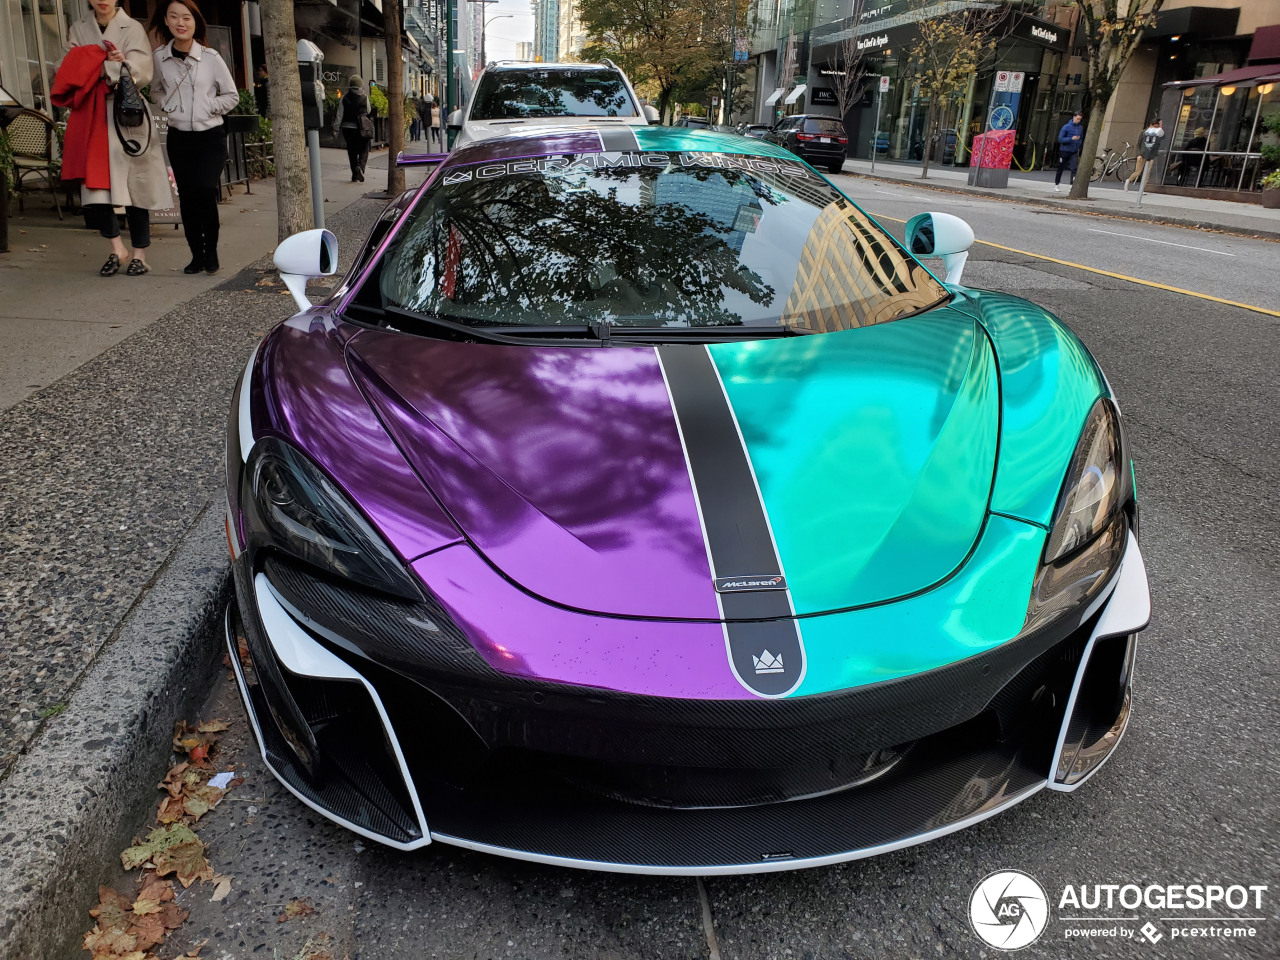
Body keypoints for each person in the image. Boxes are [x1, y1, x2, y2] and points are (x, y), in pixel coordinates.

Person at [58, 0, 170, 277]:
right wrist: (105, 62)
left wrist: (102, 66)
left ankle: (140, 255)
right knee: (97, 189)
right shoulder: (78, 27)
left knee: (136, 185)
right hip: (92, 114)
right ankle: (116, 248)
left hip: (125, 112)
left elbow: (141, 71)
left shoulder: (131, 27)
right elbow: (65, 68)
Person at [150, 0, 238, 274]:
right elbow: (155, 90)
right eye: (174, 17)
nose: (180, 22)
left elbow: (231, 96)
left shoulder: (210, 58)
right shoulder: (160, 57)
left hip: (210, 136)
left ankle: (210, 251)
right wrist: (168, 106)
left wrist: (208, 106)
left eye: (186, 17)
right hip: (180, 137)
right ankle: (196, 256)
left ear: (195, 22)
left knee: (204, 190)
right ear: (166, 21)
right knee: (187, 197)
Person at [337, 76, 372, 181]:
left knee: (351, 151)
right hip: (361, 128)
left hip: (347, 128)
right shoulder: (364, 97)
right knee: (364, 148)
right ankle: (360, 166)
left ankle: (354, 174)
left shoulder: (345, 97)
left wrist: (336, 128)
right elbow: (369, 110)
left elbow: (340, 114)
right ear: (360, 85)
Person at [1124, 117, 1164, 191]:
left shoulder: (1158, 133)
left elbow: (1162, 138)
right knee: (1138, 171)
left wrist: (1160, 128)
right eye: (1154, 126)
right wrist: (1138, 154)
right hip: (1143, 154)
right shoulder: (1143, 132)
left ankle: (1142, 189)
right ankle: (1129, 180)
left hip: (1151, 154)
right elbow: (1138, 144)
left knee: (1147, 172)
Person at [1054, 110, 1084, 192]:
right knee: (1061, 168)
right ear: (1074, 117)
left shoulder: (1080, 128)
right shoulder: (1066, 127)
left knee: (1074, 168)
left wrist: (1079, 145)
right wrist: (1071, 139)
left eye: (1080, 119)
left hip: (1074, 151)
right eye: (1077, 119)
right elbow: (1060, 139)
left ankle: (1071, 185)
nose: (1078, 121)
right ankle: (1057, 184)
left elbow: (1081, 138)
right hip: (1065, 150)